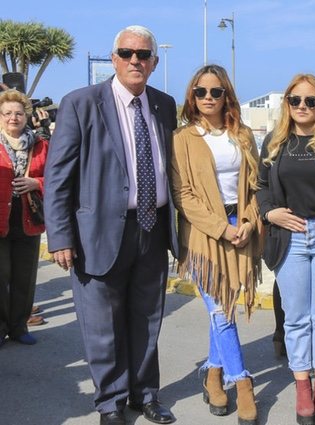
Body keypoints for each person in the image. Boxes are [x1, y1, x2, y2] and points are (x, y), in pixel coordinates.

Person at [44, 26, 178, 425]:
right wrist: (61, 235)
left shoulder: (164, 104)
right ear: (114, 59)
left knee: (147, 319)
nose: (135, 60)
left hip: (151, 230)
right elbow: (58, 177)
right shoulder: (81, 103)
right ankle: (110, 402)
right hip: (96, 234)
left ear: (154, 62)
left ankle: (145, 394)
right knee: (103, 326)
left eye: (143, 54)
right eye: (127, 52)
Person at [170, 64, 263, 425]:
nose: (208, 98)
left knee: (224, 306)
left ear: (227, 95)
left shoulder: (243, 135)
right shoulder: (182, 138)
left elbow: (255, 186)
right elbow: (183, 195)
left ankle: (211, 372)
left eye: (215, 92)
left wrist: (248, 221)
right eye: (201, 92)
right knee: (222, 310)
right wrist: (221, 230)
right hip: (203, 235)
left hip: (240, 226)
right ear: (192, 96)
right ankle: (241, 382)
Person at [257, 74, 315, 425]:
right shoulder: (275, 142)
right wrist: (270, 212)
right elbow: (261, 187)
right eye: (295, 100)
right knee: (295, 318)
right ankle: (301, 386)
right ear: (287, 104)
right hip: (289, 238)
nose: (302, 107)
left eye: (311, 101)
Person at [0, 89, 48, 347]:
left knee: (24, 278)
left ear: (26, 116)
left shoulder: (40, 145)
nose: (13, 118)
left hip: (29, 218)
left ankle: (19, 327)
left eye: (18, 113)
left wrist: (36, 182)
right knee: (1, 276)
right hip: (1, 219)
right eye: (7, 113)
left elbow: (58, 178)